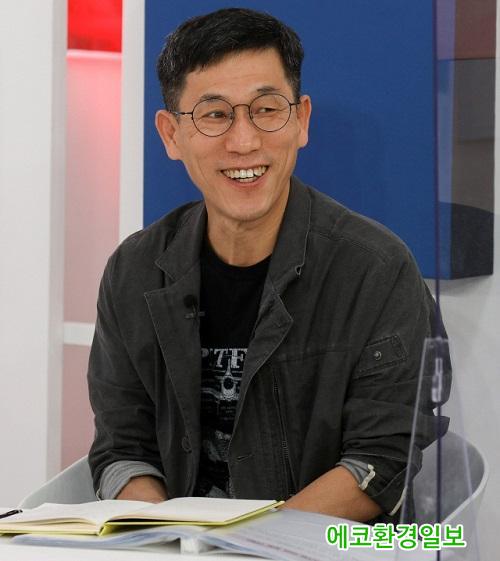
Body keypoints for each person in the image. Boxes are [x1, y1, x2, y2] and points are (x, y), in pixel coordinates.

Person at [88, 7, 444, 523]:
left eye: (266, 109)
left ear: (301, 120)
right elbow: (122, 447)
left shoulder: (378, 271)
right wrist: (166, 538)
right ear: (170, 135)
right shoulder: (134, 271)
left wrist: (250, 546)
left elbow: (382, 460)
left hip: (333, 545)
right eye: (214, 115)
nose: (244, 141)